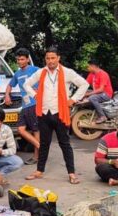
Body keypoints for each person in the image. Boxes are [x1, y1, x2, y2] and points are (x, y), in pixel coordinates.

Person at [23, 46, 89, 184]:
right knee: (44, 144)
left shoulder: (67, 72)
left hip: (60, 113)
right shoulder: (41, 72)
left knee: (65, 144)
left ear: (58, 58)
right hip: (44, 112)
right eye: (48, 58)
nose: (50, 61)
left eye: (53, 58)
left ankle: (71, 173)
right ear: (45, 59)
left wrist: (73, 99)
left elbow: (84, 84)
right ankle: (39, 170)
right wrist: (36, 95)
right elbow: (26, 84)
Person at [5, 48, 40, 164]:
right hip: (24, 106)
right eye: (18, 60)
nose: (20, 62)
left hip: (35, 104)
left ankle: (36, 157)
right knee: (20, 129)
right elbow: (10, 85)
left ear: (27, 59)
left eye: (22, 59)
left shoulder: (35, 70)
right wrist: (7, 95)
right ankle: (40, 146)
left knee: (36, 130)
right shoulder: (17, 73)